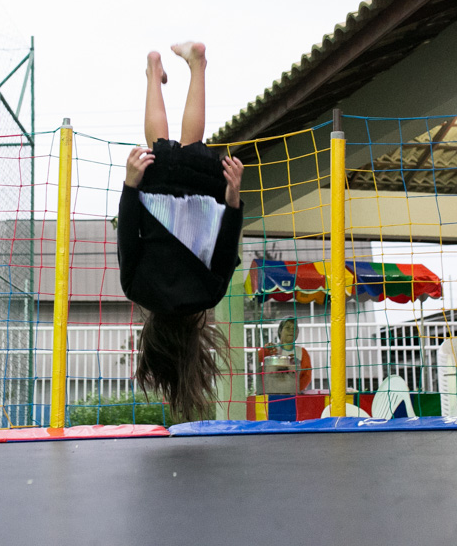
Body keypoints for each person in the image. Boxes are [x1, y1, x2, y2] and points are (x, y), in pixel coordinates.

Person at [118, 42, 245, 420]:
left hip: (201, 203)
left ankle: (197, 65)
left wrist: (233, 199)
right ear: (150, 337)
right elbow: (128, 236)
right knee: (157, 144)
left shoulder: (207, 295)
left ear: (193, 343)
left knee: (192, 141)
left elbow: (225, 248)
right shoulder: (137, 290)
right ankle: (154, 70)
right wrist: (130, 185)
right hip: (156, 201)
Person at [258, 318, 313, 392]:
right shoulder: (272, 348)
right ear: (280, 331)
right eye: (287, 328)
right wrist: (266, 349)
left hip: (292, 394)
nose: (291, 330)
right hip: (270, 392)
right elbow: (257, 358)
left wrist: (294, 389)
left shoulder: (302, 352)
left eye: (294, 328)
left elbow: (307, 376)